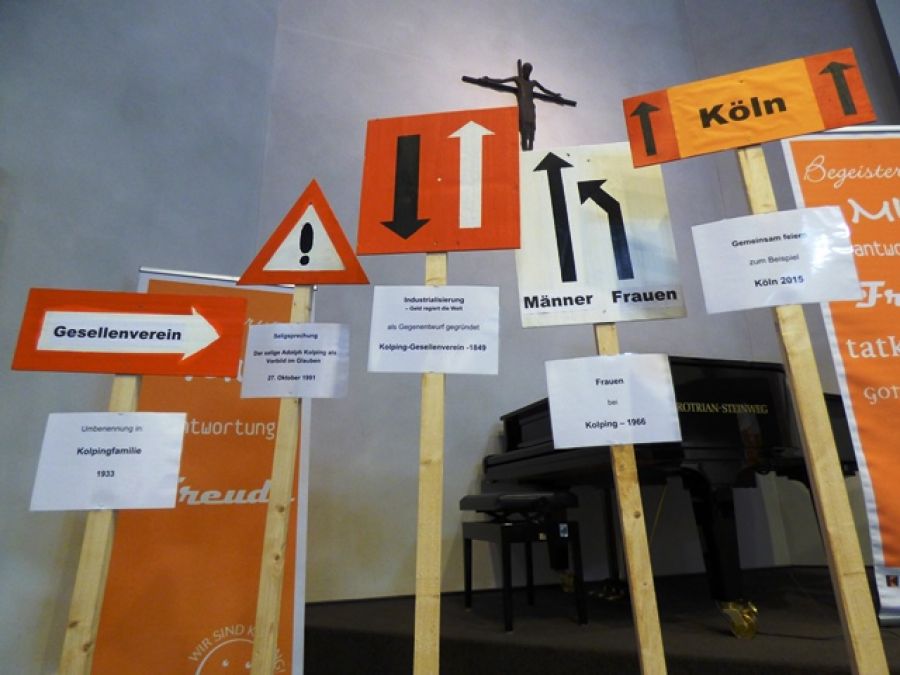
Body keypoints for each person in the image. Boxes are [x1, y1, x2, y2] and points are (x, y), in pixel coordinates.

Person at [475, 60, 568, 151]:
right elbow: (501, 81)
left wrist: (555, 95)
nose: (527, 72)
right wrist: (488, 79)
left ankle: (530, 147)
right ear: (523, 70)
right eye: (525, 69)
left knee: (532, 126)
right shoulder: (517, 79)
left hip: (530, 106)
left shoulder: (533, 83)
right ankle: (525, 147)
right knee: (524, 126)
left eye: (529, 70)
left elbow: (545, 90)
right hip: (523, 105)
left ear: (530, 71)